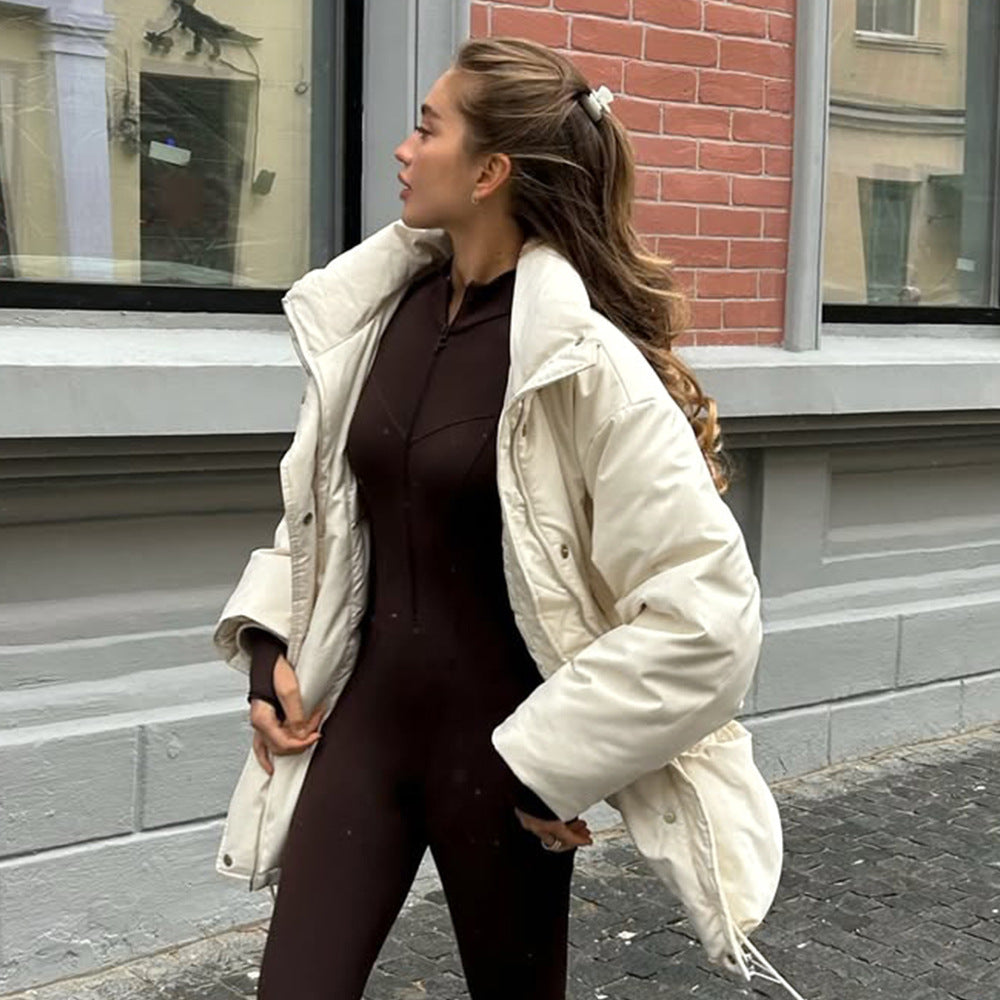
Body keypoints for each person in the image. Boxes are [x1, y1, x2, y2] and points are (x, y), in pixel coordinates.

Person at [212, 36, 762, 1000]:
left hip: (505, 769)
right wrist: (269, 648)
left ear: (489, 171)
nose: (403, 149)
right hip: (361, 738)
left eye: (428, 129)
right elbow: (326, 521)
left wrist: (544, 767)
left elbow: (710, 621)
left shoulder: (581, 362)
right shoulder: (374, 318)